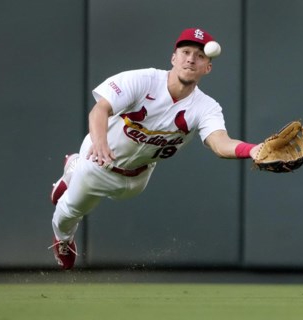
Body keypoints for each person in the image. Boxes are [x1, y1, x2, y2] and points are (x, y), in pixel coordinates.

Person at [49, 28, 262, 270]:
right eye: (186, 52)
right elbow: (100, 109)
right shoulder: (143, 80)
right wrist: (99, 143)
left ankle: (72, 169)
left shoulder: (206, 107)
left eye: (200, 56)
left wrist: (253, 150)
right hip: (98, 161)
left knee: (125, 193)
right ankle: (63, 237)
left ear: (208, 68)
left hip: (139, 176)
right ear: (174, 58)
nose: (191, 58)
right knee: (70, 212)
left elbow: (220, 143)